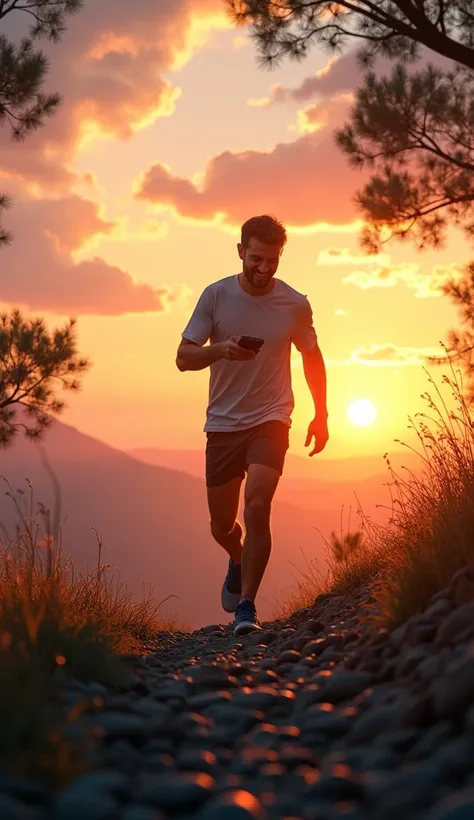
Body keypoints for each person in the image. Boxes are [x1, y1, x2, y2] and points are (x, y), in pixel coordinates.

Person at [176, 214, 328, 635]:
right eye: (256, 259)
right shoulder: (215, 296)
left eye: (272, 261)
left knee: (259, 504)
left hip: (272, 418)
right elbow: (183, 358)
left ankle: (247, 606)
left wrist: (322, 413)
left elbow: (312, 356)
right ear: (241, 251)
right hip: (223, 425)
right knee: (222, 526)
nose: (264, 269)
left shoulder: (294, 303)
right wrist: (221, 350)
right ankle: (236, 555)